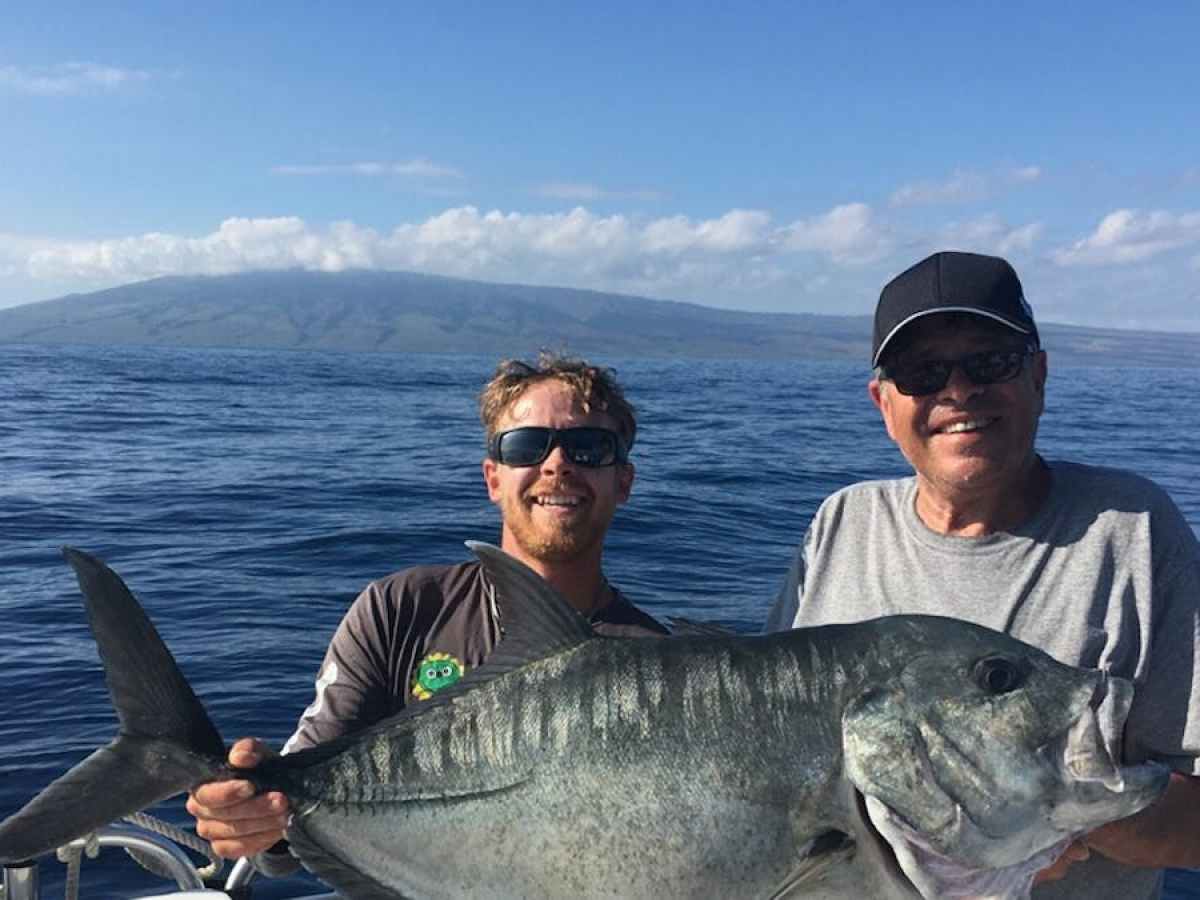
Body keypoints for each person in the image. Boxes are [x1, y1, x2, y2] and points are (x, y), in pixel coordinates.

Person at [766, 251, 1200, 899]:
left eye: (989, 361)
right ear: (883, 402)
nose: (959, 390)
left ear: (1039, 377)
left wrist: (1055, 827)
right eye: (922, 372)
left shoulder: (1133, 528)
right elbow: (770, 770)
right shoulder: (840, 522)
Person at [187, 353, 668, 873]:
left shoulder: (661, 666)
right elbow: (289, 820)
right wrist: (254, 818)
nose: (557, 465)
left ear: (624, 482)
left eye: (590, 448)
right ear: (493, 478)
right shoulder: (401, 609)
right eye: (528, 446)